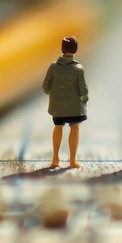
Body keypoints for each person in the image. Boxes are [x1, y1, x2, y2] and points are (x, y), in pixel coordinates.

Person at [42, 35, 88, 168]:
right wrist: (85, 100)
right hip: (75, 108)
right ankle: (72, 161)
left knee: (58, 127)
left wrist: (55, 94)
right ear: (75, 49)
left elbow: (45, 86)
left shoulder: (53, 67)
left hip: (57, 107)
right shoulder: (78, 68)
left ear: (62, 48)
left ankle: (55, 158)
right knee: (75, 127)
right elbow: (83, 89)